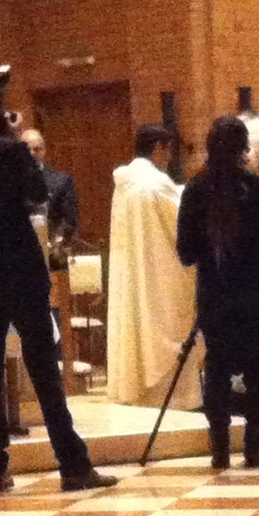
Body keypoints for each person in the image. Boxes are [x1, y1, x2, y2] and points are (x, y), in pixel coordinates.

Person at [0, 76, 115, 494]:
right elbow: (35, 194)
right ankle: (72, 464)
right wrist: (10, 134)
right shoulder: (9, 148)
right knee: (43, 366)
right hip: (20, 263)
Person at [178, 113, 259, 470]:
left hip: (214, 290)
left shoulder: (194, 189)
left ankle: (219, 447)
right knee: (255, 368)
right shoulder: (253, 187)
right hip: (250, 287)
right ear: (242, 149)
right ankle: (253, 445)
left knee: (217, 367)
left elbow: (185, 252)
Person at [104, 122, 190, 407]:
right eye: (168, 151)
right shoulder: (156, 184)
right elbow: (185, 226)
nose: (169, 159)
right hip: (158, 277)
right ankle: (175, 397)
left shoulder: (125, 185)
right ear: (157, 148)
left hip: (133, 276)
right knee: (162, 324)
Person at [23, 127, 78, 258]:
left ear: (44, 150)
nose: (31, 153)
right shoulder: (9, 183)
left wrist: (58, 241)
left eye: (36, 149)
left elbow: (69, 220)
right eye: (26, 150)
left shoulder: (62, 182)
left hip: (52, 252)